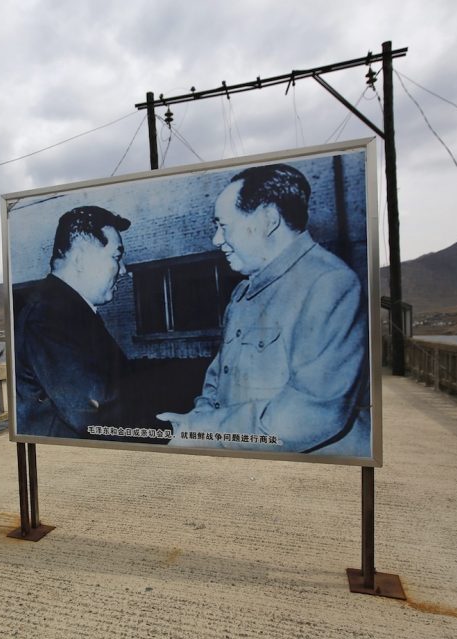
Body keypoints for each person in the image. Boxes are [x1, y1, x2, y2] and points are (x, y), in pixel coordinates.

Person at [157, 163, 370, 455]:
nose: (216, 240)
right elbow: (218, 377)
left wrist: (210, 431)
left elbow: (311, 413)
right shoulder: (243, 293)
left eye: (223, 226)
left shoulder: (329, 284)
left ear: (269, 219)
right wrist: (196, 420)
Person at [12, 205, 134, 439]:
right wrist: (176, 430)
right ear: (80, 259)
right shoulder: (48, 317)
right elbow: (93, 414)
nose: (124, 270)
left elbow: (120, 382)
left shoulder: (69, 311)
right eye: (117, 257)